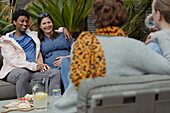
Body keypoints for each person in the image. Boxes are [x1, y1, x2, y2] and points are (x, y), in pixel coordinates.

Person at [53, 0, 170, 113]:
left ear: (94, 18)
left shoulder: (80, 46)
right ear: (123, 18)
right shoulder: (135, 48)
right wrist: (162, 35)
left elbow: (72, 87)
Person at [0, 9, 70, 98]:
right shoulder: (6, 41)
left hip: (32, 71)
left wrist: (63, 29)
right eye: (22, 21)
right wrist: (36, 66)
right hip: (13, 71)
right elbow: (14, 61)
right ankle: (23, 104)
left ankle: (52, 102)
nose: (25, 24)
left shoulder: (32, 35)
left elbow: (47, 29)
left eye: (26, 21)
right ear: (14, 22)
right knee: (23, 73)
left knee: (55, 73)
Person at [37, 13, 74, 90]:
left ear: (52, 23)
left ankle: (69, 94)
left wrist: (65, 59)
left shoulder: (63, 35)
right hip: (53, 68)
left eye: (49, 22)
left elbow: (78, 50)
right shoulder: (38, 40)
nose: (47, 25)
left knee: (66, 66)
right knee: (59, 73)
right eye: (44, 23)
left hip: (69, 62)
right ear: (40, 26)